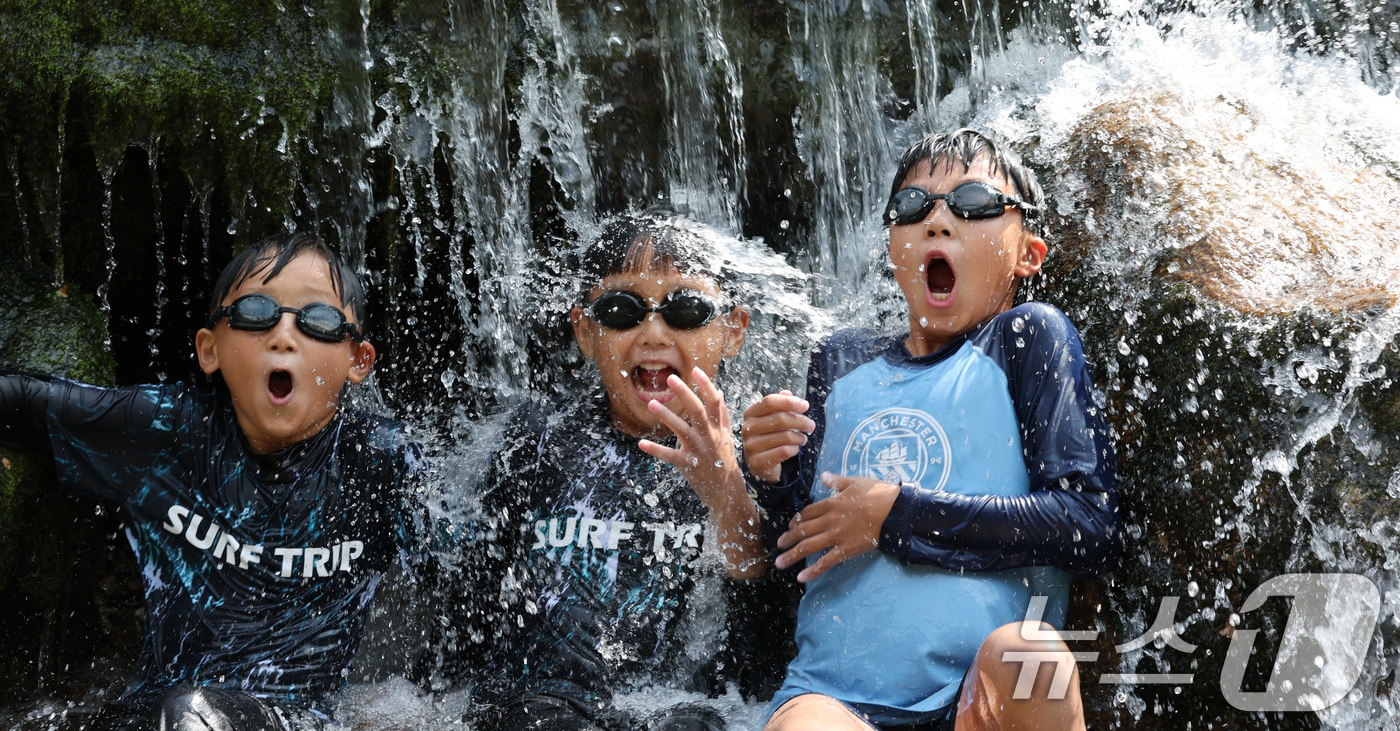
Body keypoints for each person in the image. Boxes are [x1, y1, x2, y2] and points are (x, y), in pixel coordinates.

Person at [740, 129, 1122, 730]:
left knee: (1032, 658)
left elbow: (1089, 526)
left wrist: (895, 518)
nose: (937, 220)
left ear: (1029, 254)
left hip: (978, 700)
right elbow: (794, 556)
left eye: (973, 203)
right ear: (893, 244)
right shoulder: (839, 363)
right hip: (836, 696)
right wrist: (768, 476)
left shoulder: (1028, 339)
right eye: (913, 207)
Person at [0, 232, 434, 730]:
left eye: (318, 321)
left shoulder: (381, 463)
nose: (284, 335)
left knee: (190, 714)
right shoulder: (169, 433)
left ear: (358, 360)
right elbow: (28, 403)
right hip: (155, 710)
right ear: (210, 350)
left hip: (296, 719)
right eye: (255, 313)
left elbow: (467, 566)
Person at [455, 213, 765, 731]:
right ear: (584, 330)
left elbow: (760, 648)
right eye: (621, 310)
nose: (653, 333)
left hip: (683, 711)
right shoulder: (537, 443)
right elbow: (474, 607)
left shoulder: (753, 454)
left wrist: (726, 491)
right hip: (541, 705)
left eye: (686, 310)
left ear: (732, 331)